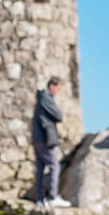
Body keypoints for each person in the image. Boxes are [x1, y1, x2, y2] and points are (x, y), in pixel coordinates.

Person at [31, 75, 69, 207]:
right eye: (58, 88)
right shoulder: (46, 98)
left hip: (38, 138)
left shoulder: (41, 98)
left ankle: (40, 199)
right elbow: (59, 116)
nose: (58, 92)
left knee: (41, 168)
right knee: (54, 166)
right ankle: (53, 197)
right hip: (45, 138)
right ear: (52, 85)